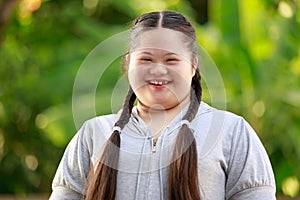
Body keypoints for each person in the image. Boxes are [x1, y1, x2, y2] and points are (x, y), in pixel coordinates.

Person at [49, 10, 276, 200]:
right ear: (128, 63)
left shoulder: (232, 131)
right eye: (146, 59)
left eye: (171, 60)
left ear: (194, 65)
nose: (158, 69)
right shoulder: (93, 133)